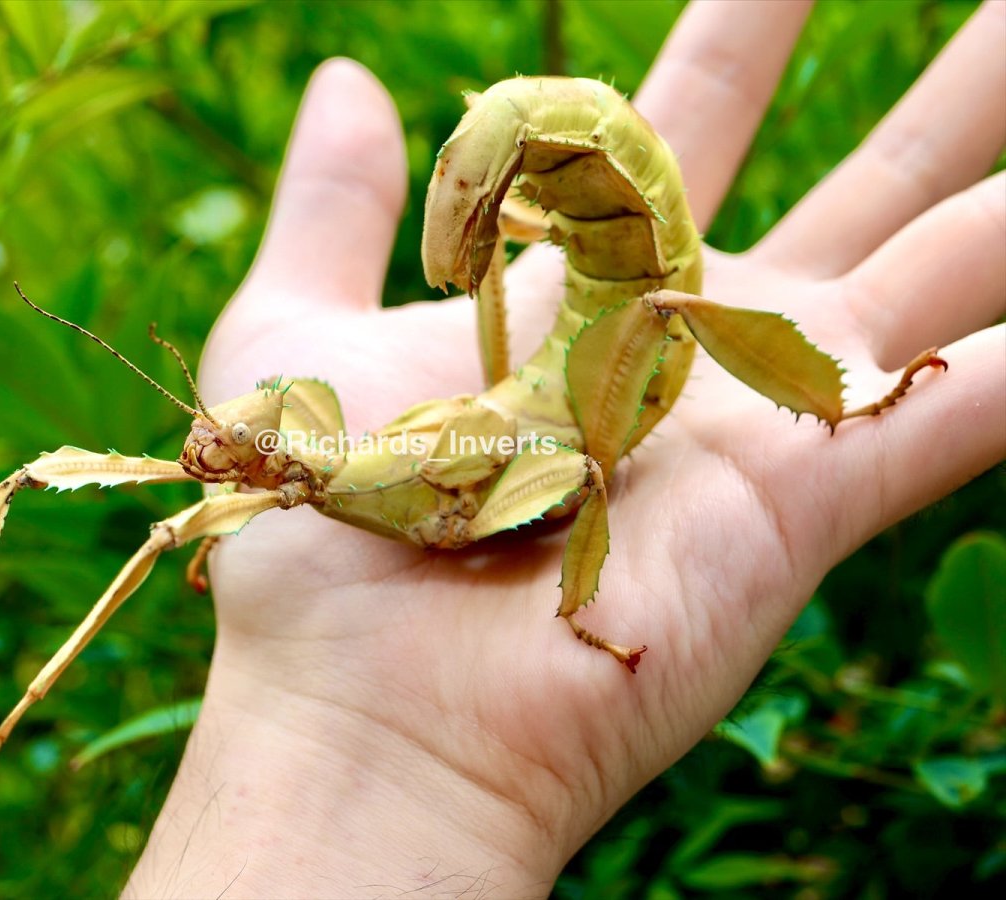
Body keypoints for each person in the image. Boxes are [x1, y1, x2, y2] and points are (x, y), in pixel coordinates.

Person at [125, 1, 1005, 896]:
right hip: (536, 390)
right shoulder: (319, 459)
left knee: (655, 313)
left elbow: (573, 464)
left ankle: (843, 408)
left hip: (596, 395)